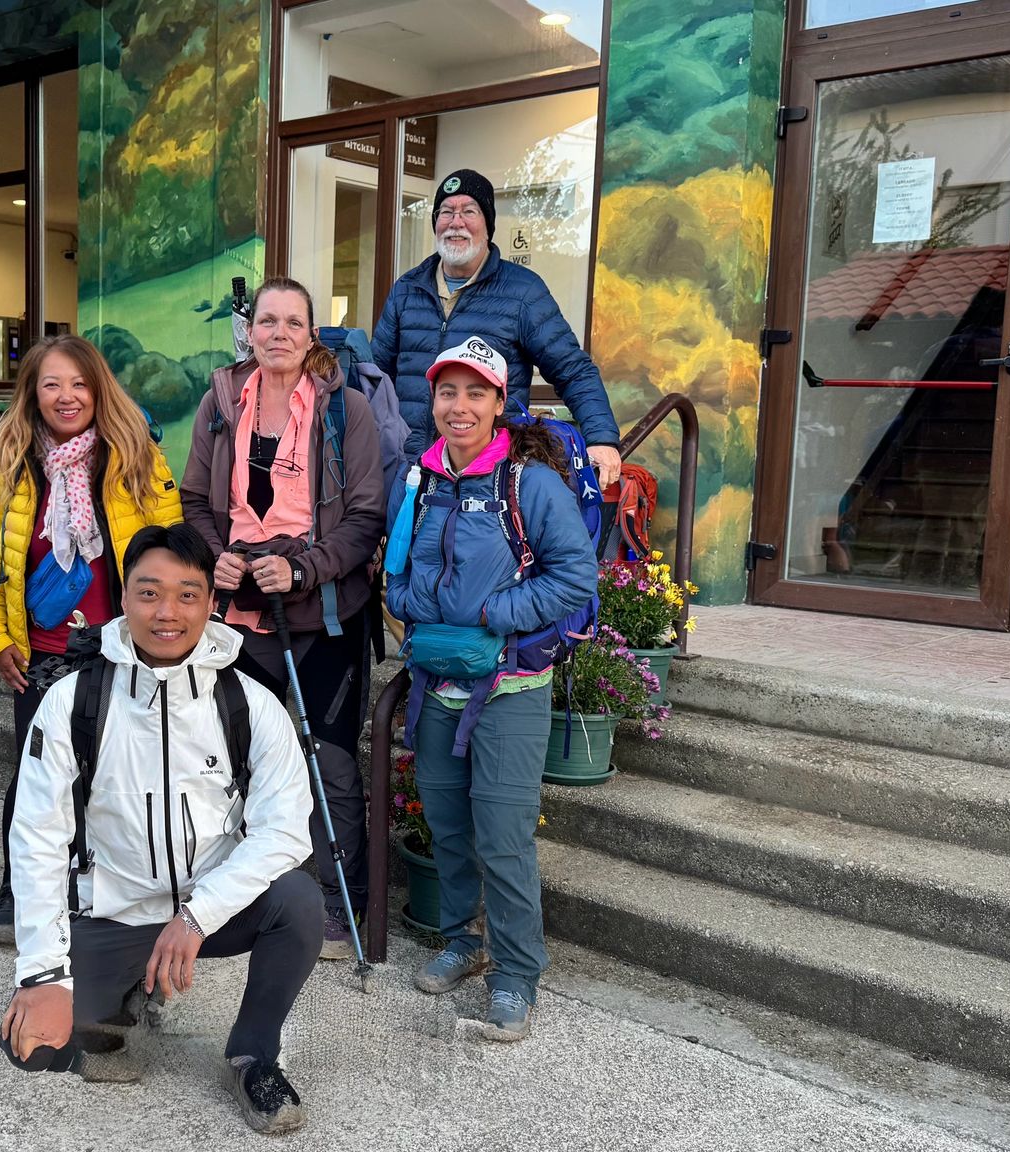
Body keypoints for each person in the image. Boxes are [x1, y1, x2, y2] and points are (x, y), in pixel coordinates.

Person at [1, 523, 321, 1135]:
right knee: (43, 1050)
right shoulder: (73, 701)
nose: (167, 613)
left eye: (187, 594)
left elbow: (284, 833)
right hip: (112, 913)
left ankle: (254, 1052)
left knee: (299, 901)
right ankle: (121, 997)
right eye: (148, 593)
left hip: (208, 915)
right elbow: (37, 838)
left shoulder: (250, 703)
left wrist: (198, 915)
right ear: (123, 597)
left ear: (210, 602)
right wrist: (41, 975)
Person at [383, 338, 597, 1042]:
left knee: (503, 839)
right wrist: (416, 605)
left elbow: (574, 578)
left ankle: (515, 974)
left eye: (476, 393)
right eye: (448, 392)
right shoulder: (419, 478)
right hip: (435, 683)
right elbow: (394, 569)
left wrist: (490, 618)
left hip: (510, 687)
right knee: (445, 824)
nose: (460, 406)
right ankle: (462, 940)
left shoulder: (528, 482)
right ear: (433, 400)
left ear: (501, 403)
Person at [180, 275, 385, 960]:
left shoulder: (345, 411)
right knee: (235, 756)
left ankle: (336, 899)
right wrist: (219, 560)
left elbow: (365, 520)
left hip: (323, 616)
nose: (278, 334)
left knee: (327, 760)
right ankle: (242, 889)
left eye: (293, 323)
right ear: (251, 329)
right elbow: (194, 505)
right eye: (267, 321)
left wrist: (303, 568)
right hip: (240, 615)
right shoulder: (220, 404)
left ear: (310, 335)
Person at [0, 333, 183, 946]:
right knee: (37, 776)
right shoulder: (13, 464)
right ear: (33, 394)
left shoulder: (134, 457)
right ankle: (17, 889)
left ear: (99, 388)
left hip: (120, 647)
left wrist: (166, 630)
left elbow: (172, 549)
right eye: (52, 384)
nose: (67, 396)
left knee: (113, 774)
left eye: (79, 383)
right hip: (39, 652)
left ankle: (104, 889)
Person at [373, 167, 623, 491]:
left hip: (488, 477)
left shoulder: (523, 292)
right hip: (410, 473)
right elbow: (375, 377)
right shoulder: (407, 289)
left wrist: (601, 437)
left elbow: (573, 370)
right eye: (446, 212)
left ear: (487, 225)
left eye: (469, 212)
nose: (456, 222)